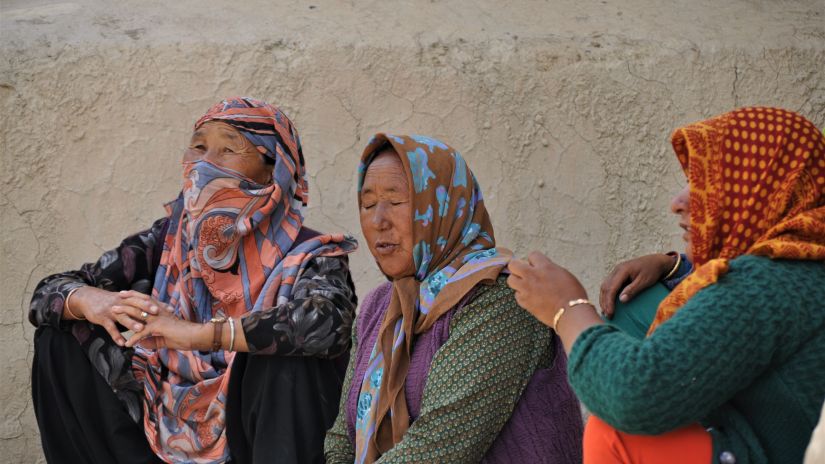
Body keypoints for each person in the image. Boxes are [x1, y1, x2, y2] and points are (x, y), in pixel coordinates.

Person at [29, 97, 358, 464]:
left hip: (257, 438)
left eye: (227, 148)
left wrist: (195, 333)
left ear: (274, 170)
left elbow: (329, 322)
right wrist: (93, 301)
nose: (204, 162)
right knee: (60, 335)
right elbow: (48, 294)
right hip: (160, 429)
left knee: (286, 353)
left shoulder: (311, 254)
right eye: (199, 146)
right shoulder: (169, 241)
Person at [507, 107, 825, 463]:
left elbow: (634, 394)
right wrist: (676, 264)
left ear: (760, 193)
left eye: (708, 184)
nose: (678, 203)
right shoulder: (805, 266)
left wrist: (567, 309)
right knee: (633, 311)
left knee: (614, 433)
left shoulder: (762, 285)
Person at [324, 134, 583, 463]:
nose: (379, 221)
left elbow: (439, 445)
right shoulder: (380, 305)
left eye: (397, 201)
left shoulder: (500, 299)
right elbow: (341, 437)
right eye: (368, 203)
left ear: (442, 206)